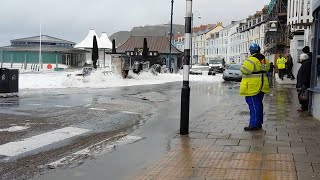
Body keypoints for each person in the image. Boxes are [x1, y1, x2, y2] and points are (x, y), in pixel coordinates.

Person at [240, 43, 270, 131]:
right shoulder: (264, 59)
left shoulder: (251, 59)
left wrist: (242, 66)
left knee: (253, 106)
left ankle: (253, 124)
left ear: (251, 50)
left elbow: (245, 71)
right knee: (259, 105)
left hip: (253, 86)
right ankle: (259, 123)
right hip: (262, 85)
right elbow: (267, 69)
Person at [296, 47, 312, 112]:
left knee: (303, 97)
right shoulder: (305, 64)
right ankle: (303, 107)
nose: (300, 60)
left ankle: (304, 107)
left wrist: (304, 83)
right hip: (301, 83)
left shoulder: (306, 65)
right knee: (302, 96)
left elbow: (305, 75)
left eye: (301, 59)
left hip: (303, 84)